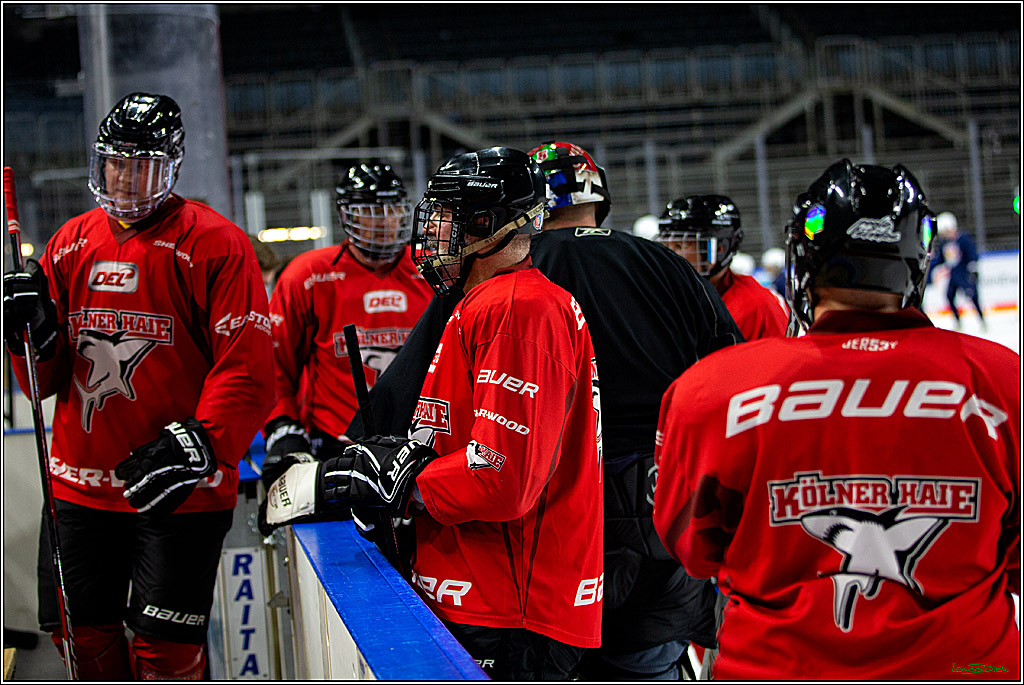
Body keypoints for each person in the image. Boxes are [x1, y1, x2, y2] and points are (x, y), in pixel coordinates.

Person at [344, 140, 745, 679]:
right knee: (647, 660)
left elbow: (404, 414)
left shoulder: (503, 288)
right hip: (662, 506)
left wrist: (384, 472)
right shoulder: (666, 266)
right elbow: (734, 391)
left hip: (550, 524)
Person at [653, 159, 1020, 679]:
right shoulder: (1005, 381)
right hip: (967, 666)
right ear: (917, 259)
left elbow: (691, 546)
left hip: (775, 666)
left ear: (803, 260)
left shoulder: (710, 391)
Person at [261, 147, 604, 680]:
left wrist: (405, 479)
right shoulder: (480, 302)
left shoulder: (516, 307)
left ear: (486, 224)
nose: (432, 229)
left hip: (508, 608)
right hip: (486, 595)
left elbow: (502, 477)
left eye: (446, 215)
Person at [2, 92, 276, 680]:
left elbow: (247, 366)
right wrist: (29, 337)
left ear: (173, 166)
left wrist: (203, 439)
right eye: (116, 162)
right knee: (82, 642)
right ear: (99, 164)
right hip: (79, 490)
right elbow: (39, 384)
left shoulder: (215, 244)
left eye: (144, 163)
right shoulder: (69, 243)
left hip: (177, 492)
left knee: (167, 658)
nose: (127, 178)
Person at [259, 163, 432, 486]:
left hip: (417, 441)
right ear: (347, 215)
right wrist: (282, 427)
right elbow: (275, 364)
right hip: (336, 442)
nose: (384, 221)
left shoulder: (431, 271)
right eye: (371, 212)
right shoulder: (308, 275)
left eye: (392, 210)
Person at [657, 195, 789, 340]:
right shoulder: (661, 297)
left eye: (680, 246)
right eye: (665, 245)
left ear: (720, 248)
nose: (668, 255)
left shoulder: (756, 306)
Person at [929, 210, 986, 329]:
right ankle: (957, 320)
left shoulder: (963, 239)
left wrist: (973, 269)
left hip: (964, 274)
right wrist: (931, 263)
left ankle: (981, 319)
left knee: (973, 297)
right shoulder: (945, 243)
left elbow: (972, 254)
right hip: (954, 275)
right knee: (949, 296)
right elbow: (941, 259)